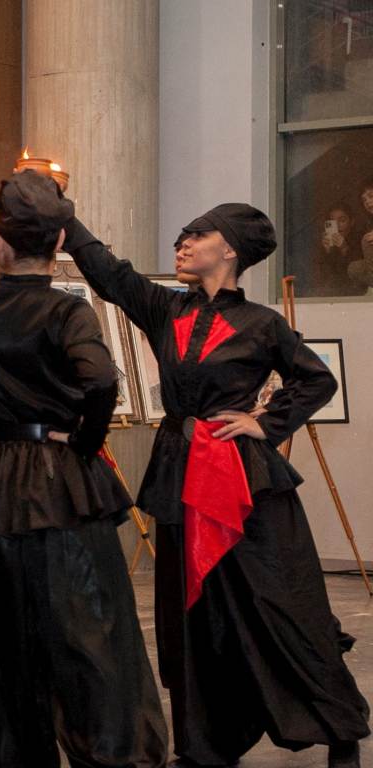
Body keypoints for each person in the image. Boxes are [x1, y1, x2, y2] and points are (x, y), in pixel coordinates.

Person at [62, 201, 370, 768]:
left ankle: (339, 728)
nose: (181, 245)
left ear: (229, 249)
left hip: (242, 479)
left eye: (196, 236)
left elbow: (315, 380)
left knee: (280, 605)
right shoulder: (164, 307)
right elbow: (111, 274)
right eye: (181, 237)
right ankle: (205, 746)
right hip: (179, 474)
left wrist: (266, 423)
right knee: (194, 616)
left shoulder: (262, 324)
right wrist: (66, 216)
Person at [0, 170, 168, 768]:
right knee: (87, 631)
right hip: (62, 480)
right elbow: (100, 381)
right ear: (57, 244)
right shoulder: (68, 311)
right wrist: (84, 440)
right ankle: (110, 751)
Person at [308, 202, 365, 296]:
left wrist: (344, 249)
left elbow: (359, 275)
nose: (337, 226)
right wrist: (327, 252)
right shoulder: (325, 242)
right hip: (332, 292)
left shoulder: (361, 239)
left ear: (352, 222)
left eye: (342, 220)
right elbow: (321, 277)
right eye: (333, 223)